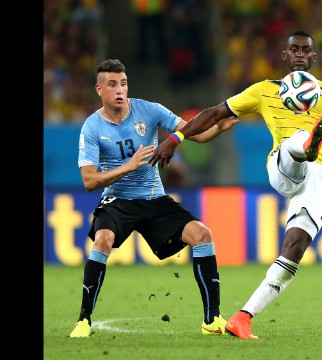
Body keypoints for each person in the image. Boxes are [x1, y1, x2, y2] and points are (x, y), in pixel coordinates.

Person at [149, 30, 322, 340]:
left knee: (294, 250)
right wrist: (177, 138)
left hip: (321, 178)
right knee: (296, 142)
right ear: (285, 55)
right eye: (294, 49)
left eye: (306, 50)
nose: (300, 54)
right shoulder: (264, 90)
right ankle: (306, 142)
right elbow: (216, 112)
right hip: (283, 165)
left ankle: (243, 317)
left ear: (314, 56)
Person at [69, 59, 239, 338]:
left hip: (153, 198)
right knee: (103, 240)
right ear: (99, 89)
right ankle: (84, 321)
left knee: (203, 235)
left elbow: (194, 133)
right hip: (118, 200)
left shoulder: (148, 110)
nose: (119, 89)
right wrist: (129, 166)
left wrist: (217, 129)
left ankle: (212, 320)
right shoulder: (91, 128)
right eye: (112, 84)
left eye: (123, 83)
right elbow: (89, 181)